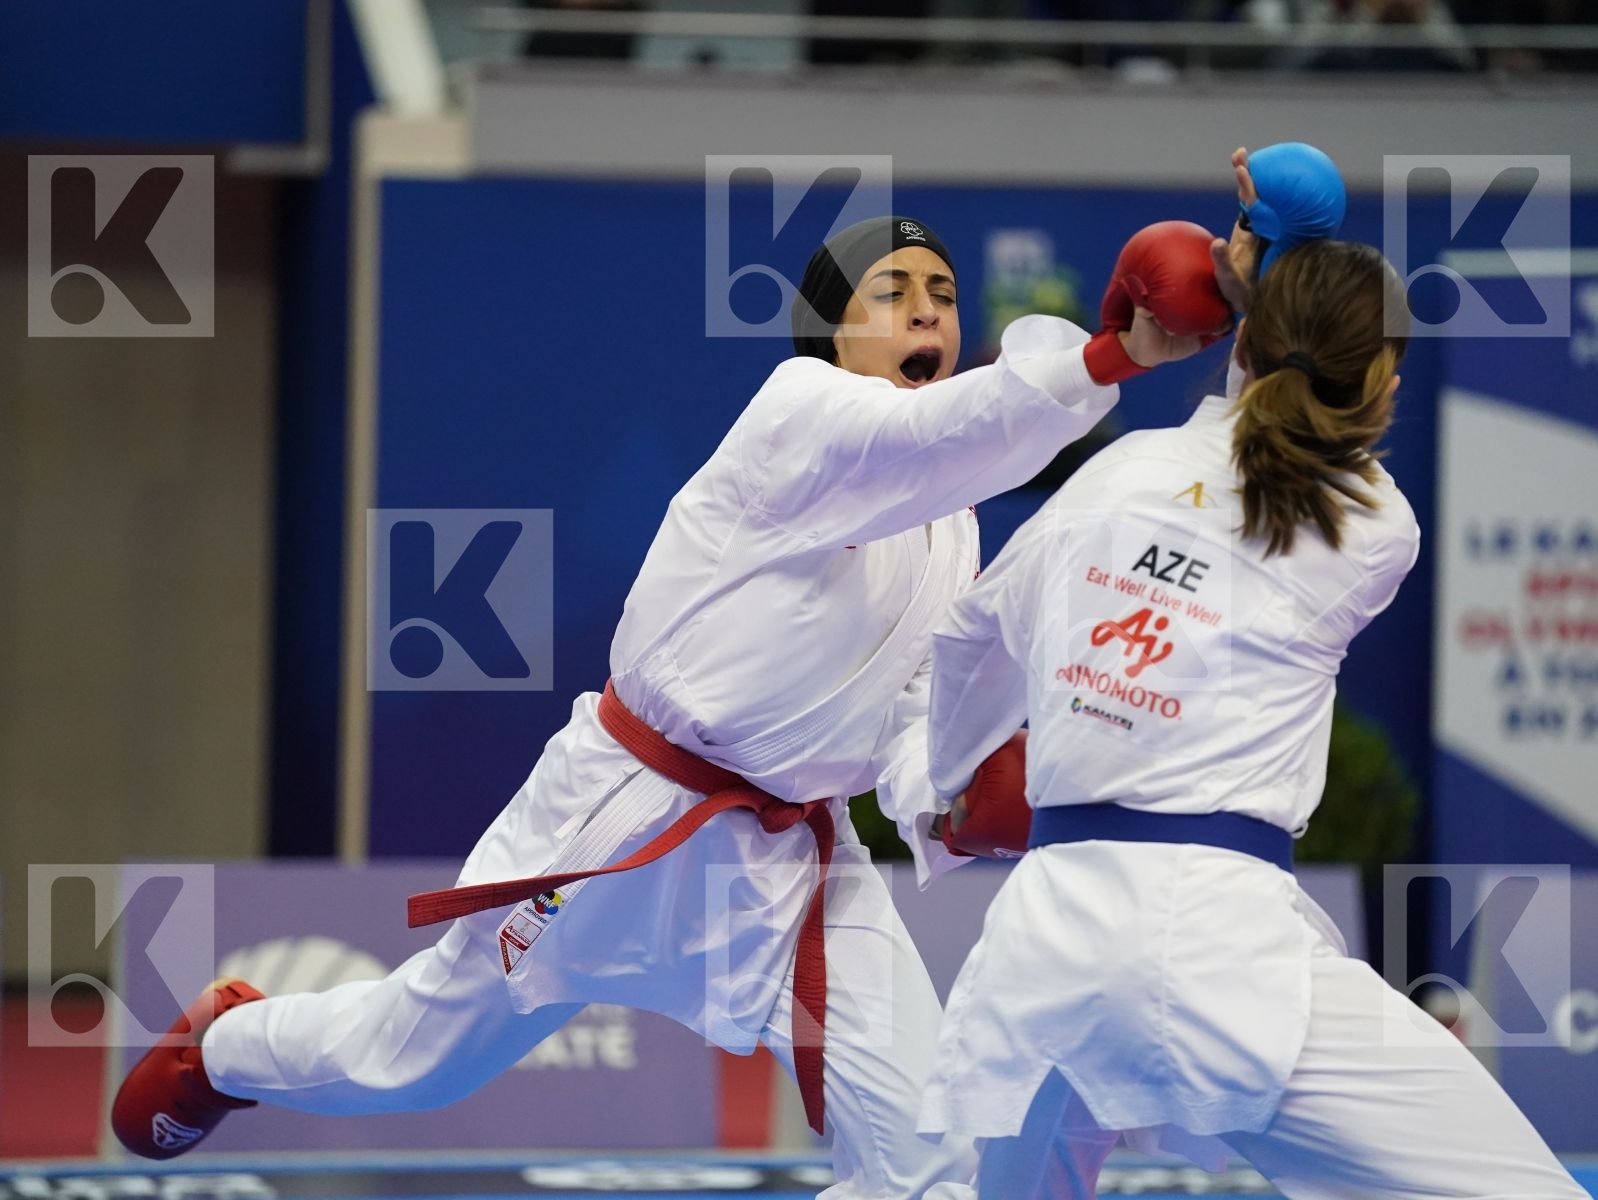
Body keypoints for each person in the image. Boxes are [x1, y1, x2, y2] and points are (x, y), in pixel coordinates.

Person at [112, 215, 1220, 1197]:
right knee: (413, 1057)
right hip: (625, 816)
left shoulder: (952, 524)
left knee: (921, 1153)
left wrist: (949, 800)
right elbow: (943, 438)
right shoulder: (799, 416)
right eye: (895, 295)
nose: (927, 310)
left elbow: (914, 704)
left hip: (794, 860)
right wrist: (1108, 354)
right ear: (830, 335)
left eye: (942, 296)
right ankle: (223, 1050)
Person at [916, 237, 1588, 1198]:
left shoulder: (1108, 478)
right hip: (1221, 953)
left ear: (1242, 347)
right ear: (1380, 386)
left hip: (1047, 946)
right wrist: (1265, 275)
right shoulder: (1369, 529)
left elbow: (967, 643)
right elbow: (1279, 446)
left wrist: (947, 790)